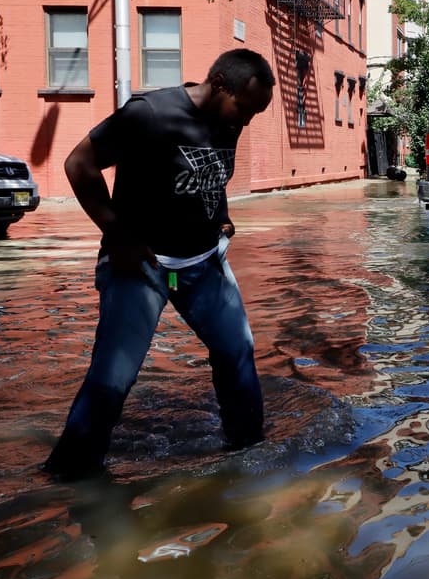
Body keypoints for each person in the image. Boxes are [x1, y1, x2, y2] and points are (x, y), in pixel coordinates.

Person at [42, 48, 276, 480]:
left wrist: (221, 214)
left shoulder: (228, 120)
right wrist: (118, 234)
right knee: (114, 376)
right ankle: (69, 476)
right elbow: (79, 164)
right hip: (141, 265)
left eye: (255, 114)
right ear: (219, 85)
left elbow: (208, 171)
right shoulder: (149, 114)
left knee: (237, 352)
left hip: (203, 264)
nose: (246, 121)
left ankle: (248, 455)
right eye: (245, 109)